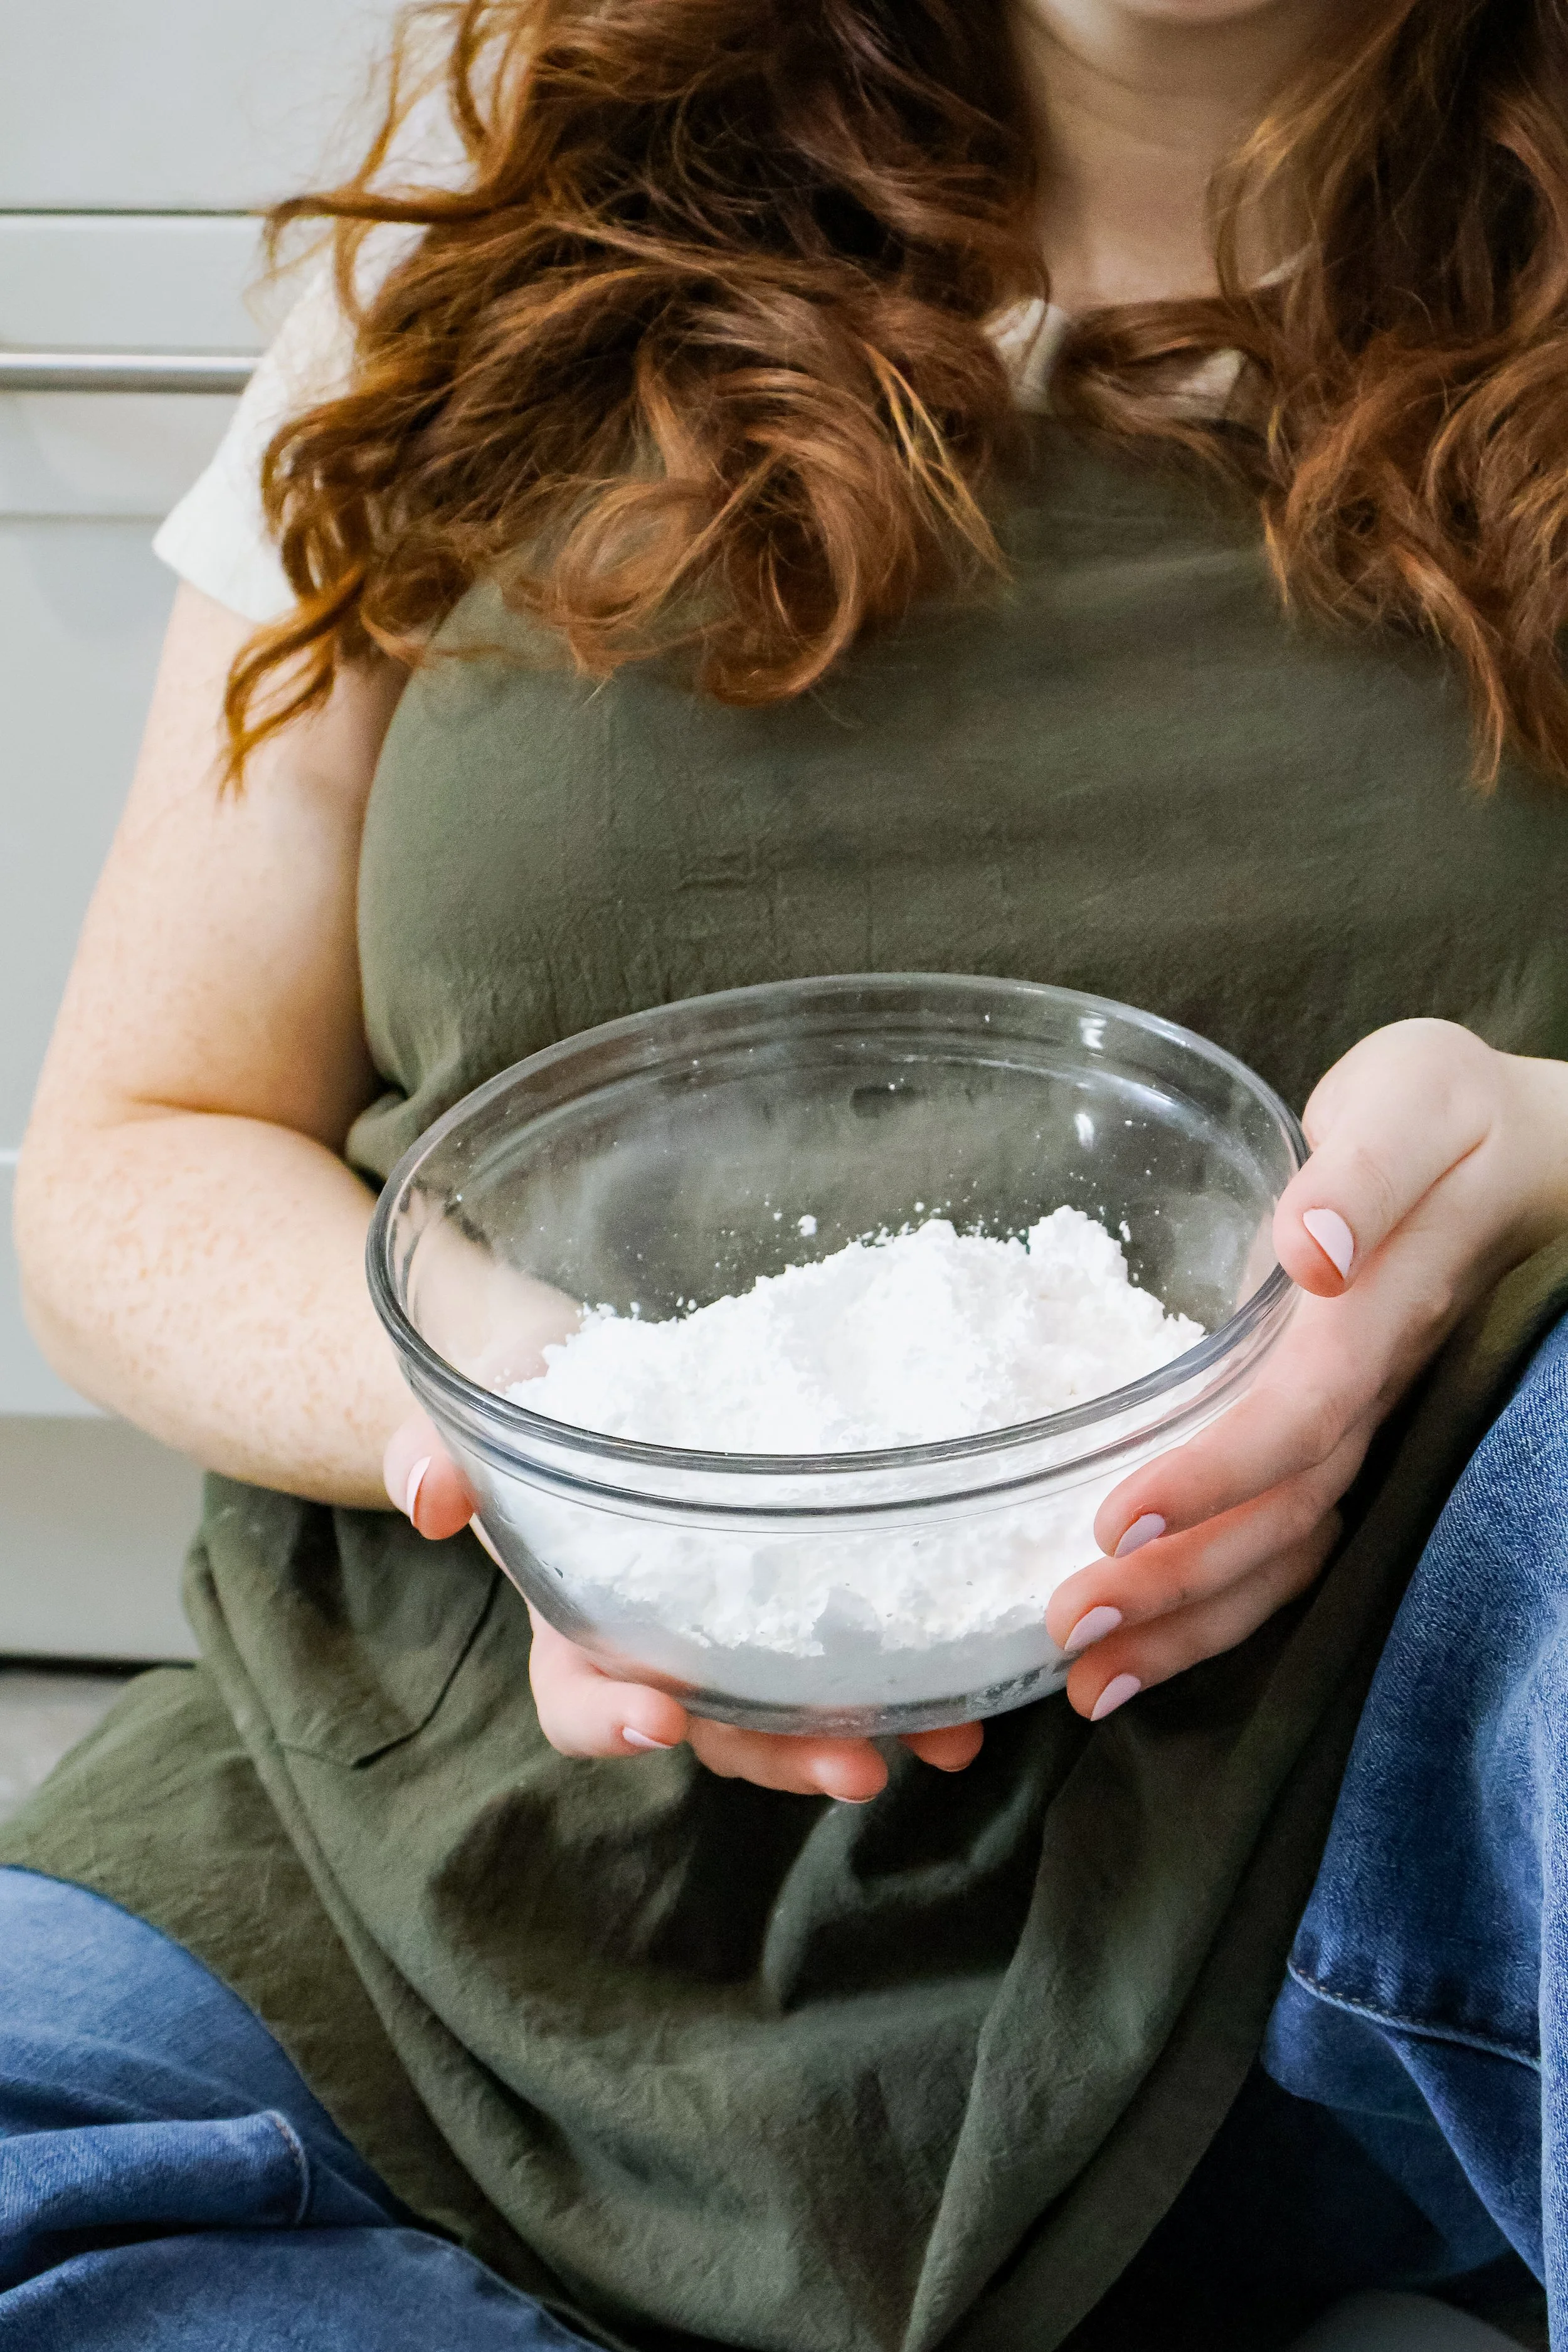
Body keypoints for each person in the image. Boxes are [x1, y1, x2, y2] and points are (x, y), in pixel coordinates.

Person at [4, 0, 1567, 2343]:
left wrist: (1543, 1153)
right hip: (434, 1853)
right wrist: (563, 1436)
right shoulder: (504, 264)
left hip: (1342, 1834)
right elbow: (136, 1146)